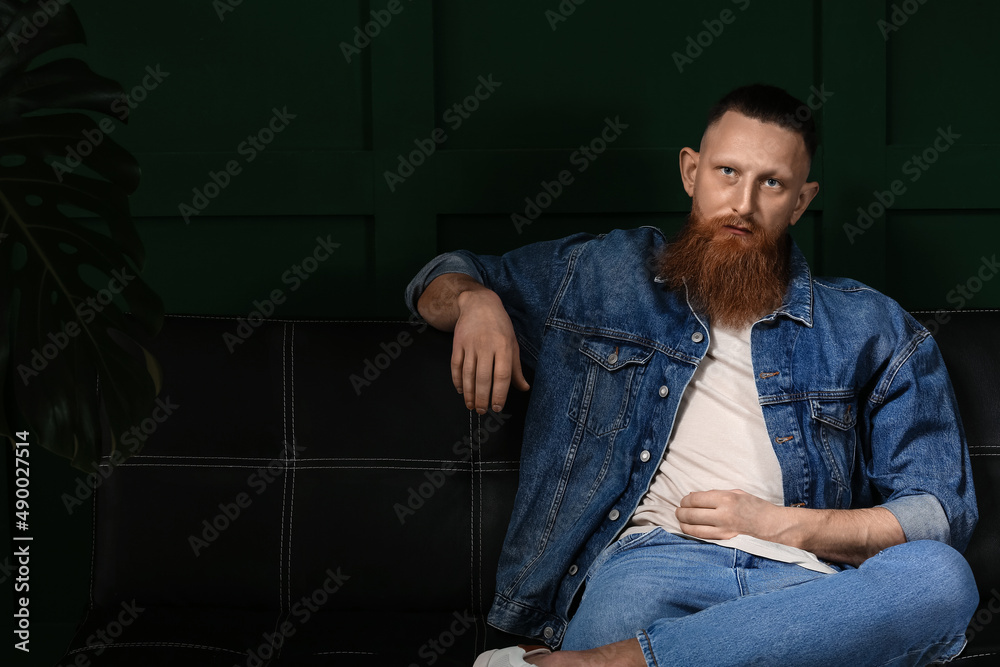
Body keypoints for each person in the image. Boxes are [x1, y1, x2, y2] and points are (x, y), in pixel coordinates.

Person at [404, 84, 979, 667]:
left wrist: (784, 526)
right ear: (690, 171)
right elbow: (439, 280)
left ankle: (619, 662)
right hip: (647, 571)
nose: (743, 204)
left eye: (771, 183)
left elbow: (938, 513)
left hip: (804, 591)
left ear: (801, 202)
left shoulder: (869, 325)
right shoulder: (603, 275)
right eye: (727, 172)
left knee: (940, 577)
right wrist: (477, 301)